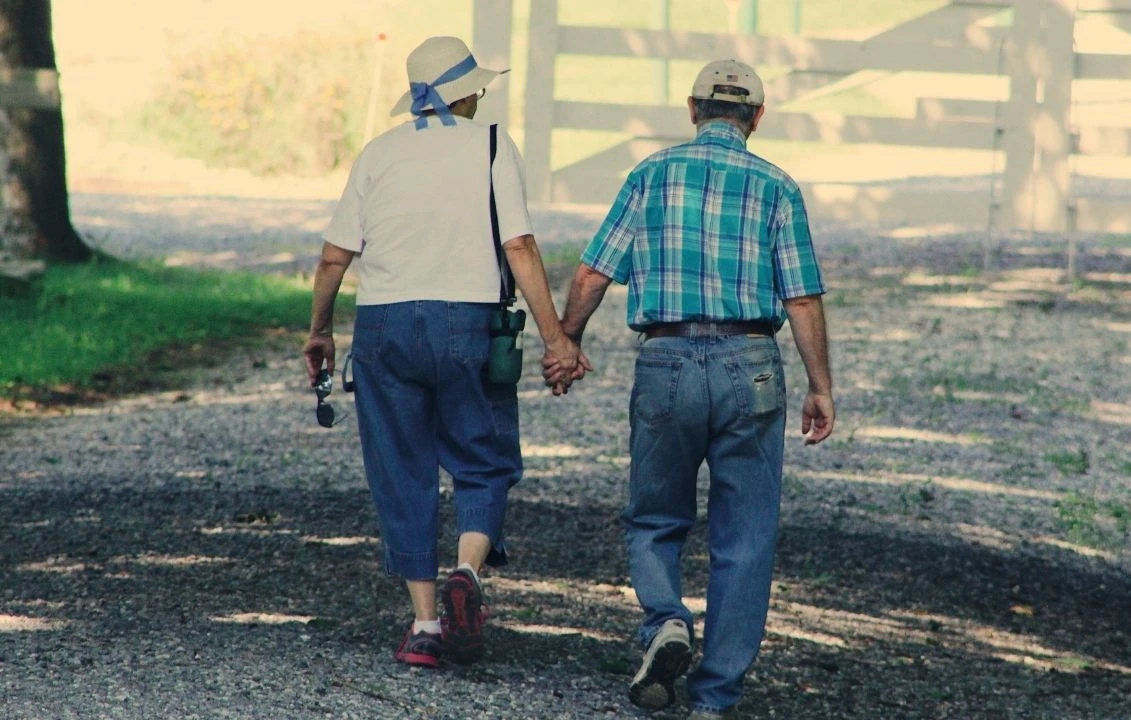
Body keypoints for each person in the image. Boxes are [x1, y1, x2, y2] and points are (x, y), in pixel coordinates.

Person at [547, 59, 835, 719]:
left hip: (667, 358)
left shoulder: (650, 175)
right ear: (757, 118)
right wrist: (821, 385)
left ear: (692, 109)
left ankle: (666, 621)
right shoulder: (777, 187)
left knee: (654, 515)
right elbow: (802, 297)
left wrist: (567, 342)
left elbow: (594, 274)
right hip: (751, 362)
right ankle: (714, 698)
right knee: (746, 534)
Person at [304, 36, 585, 669]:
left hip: (385, 326)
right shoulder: (490, 144)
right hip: (468, 320)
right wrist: (556, 339)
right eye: (478, 87)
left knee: (401, 471)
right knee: (482, 459)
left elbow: (333, 257)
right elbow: (519, 246)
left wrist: (320, 330)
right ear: (464, 93)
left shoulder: (377, 153)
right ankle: (468, 570)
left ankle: (427, 624)